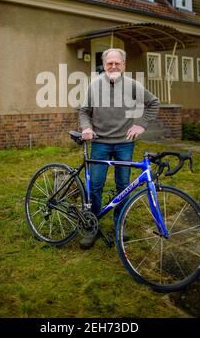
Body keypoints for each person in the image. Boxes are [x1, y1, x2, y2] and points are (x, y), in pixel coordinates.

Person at [79, 48, 160, 249]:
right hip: (99, 143)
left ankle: (119, 224)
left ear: (123, 65)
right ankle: (92, 226)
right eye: (109, 63)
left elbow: (153, 103)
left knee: (123, 186)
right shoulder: (95, 86)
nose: (113, 66)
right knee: (95, 186)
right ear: (104, 65)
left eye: (117, 63)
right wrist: (87, 127)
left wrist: (141, 125)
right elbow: (83, 111)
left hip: (125, 143)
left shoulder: (132, 85)